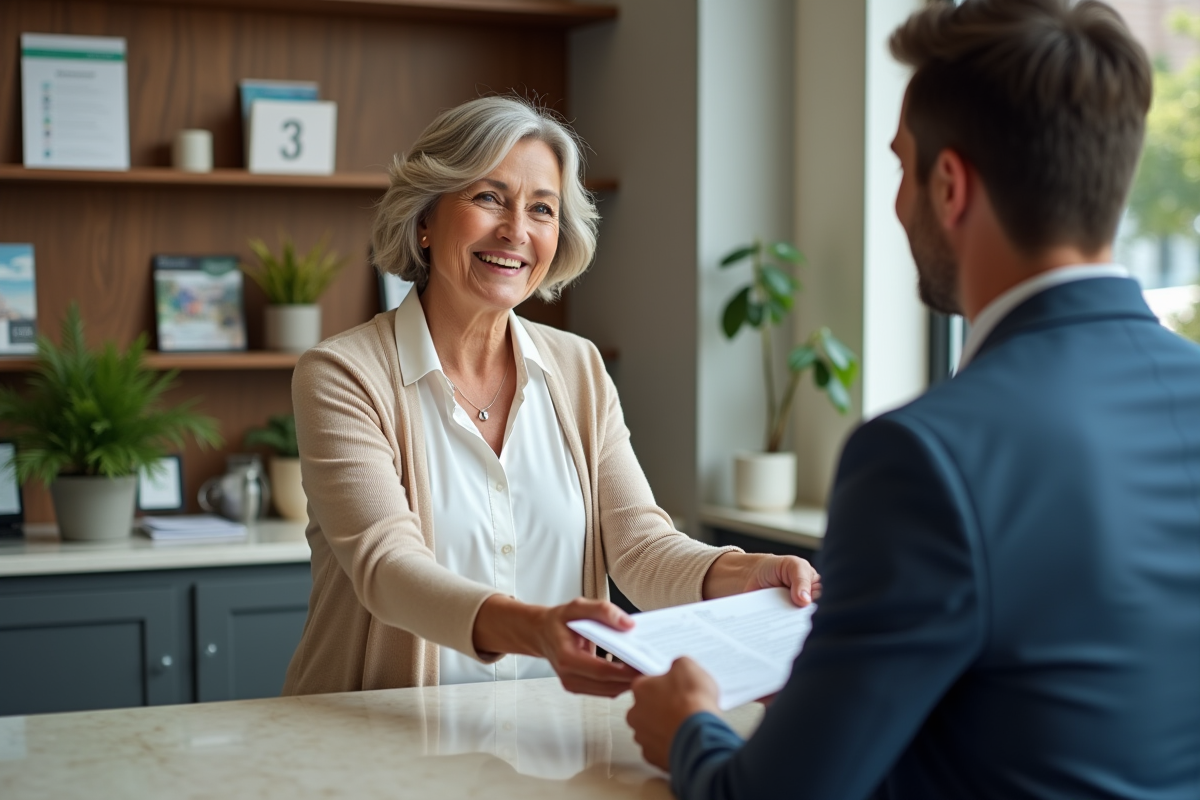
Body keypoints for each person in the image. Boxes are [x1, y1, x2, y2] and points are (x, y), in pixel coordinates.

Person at [626, 1, 1200, 798]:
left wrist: (689, 727)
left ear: (950, 185)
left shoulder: (924, 458)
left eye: (902, 167)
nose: (898, 201)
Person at [281, 96, 820, 697]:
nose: (516, 230)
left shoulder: (578, 367)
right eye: (489, 198)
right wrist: (535, 629)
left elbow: (640, 545)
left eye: (541, 208)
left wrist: (747, 571)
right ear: (424, 218)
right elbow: (387, 568)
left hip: (552, 733)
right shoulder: (343, 374)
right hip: (376, 736)